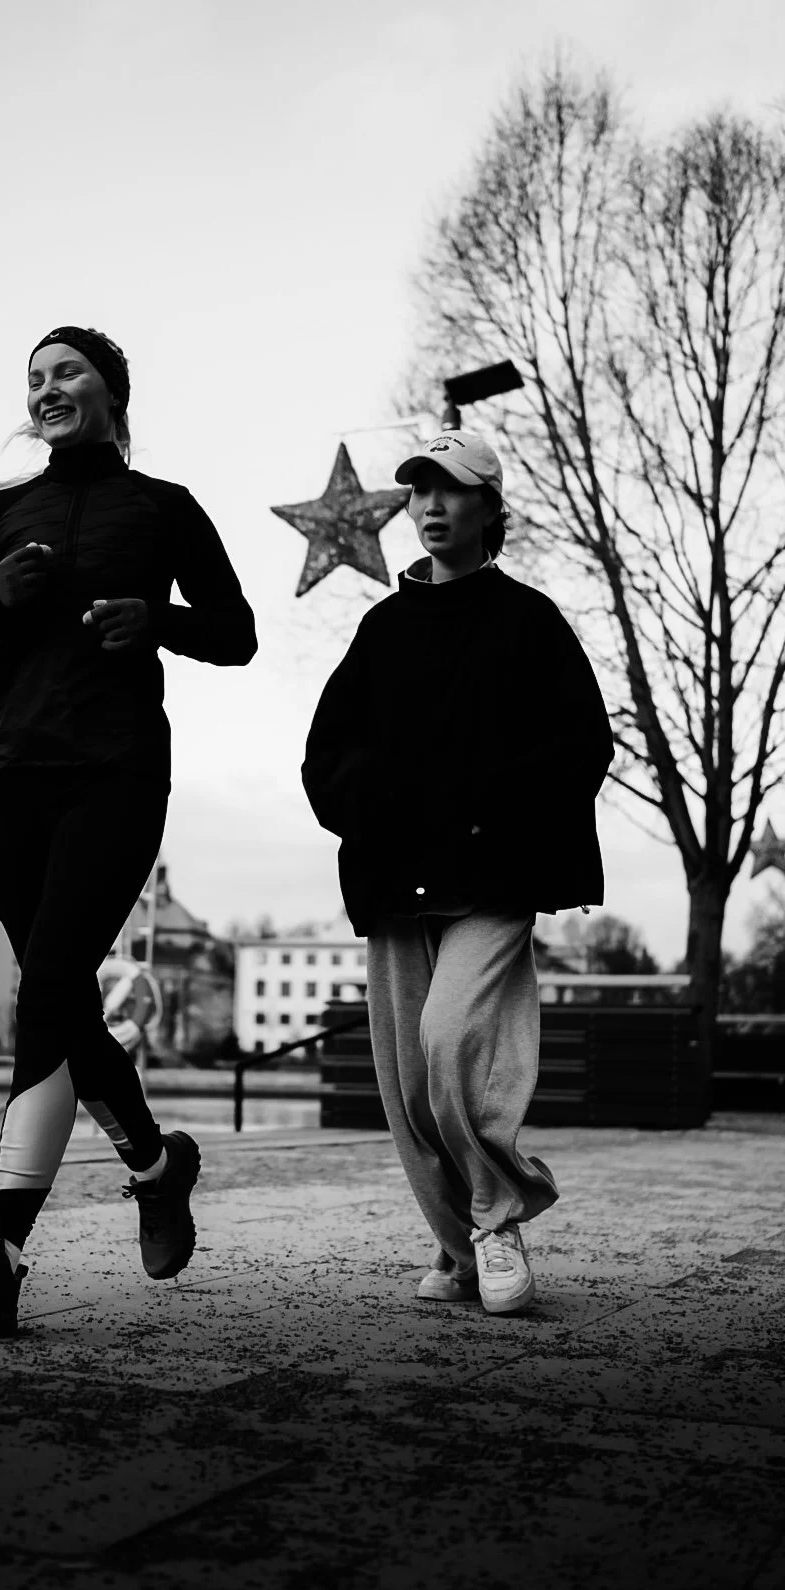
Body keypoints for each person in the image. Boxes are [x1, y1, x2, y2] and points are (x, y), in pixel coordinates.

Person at [0, 325, 257, 1334]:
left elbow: (236, 632)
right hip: (15, 779)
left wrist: (158, 617)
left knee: (50, 987)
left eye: (67, 373)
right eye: (35, 379)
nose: (47, 389)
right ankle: (155, 1159)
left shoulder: (165, 508)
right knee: (61, 998)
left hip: (119, 771)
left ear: (112, 391)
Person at [302, 431, 613, 1315]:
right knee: (407, 1086)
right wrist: (370, 803)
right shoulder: (383, 627)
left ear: (490, 507)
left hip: (495, 874)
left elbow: (584, 744)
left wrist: (488, 804)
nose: (432, 506)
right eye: (419, 492)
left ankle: (497, 1215)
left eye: (453, 490)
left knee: (450, 1042)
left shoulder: (530, 621)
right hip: (396, 879)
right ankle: (459, 1246)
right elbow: (328, 754)